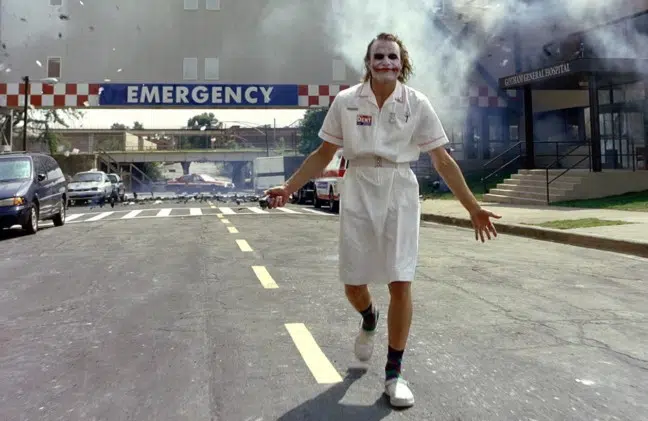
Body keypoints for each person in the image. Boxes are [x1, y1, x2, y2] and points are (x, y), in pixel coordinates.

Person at [264, 32, 501, 408]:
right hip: (357, 186)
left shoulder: (417, 103)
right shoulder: (346, 101)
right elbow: (323, 152)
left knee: (400, 279)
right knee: (353, 282)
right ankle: (369, 317)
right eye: (379, 56)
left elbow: (442, 160)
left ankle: (394, 374)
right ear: (368, 62)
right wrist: (289, 187)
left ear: (402, 63)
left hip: (399, 189)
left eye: (392, 56)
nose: (386, 62)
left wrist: (472, 207)